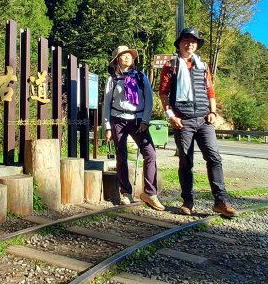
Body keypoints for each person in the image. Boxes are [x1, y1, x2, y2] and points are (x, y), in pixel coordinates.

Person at [158, 28, 239, 218]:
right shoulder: (171, 66)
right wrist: (171, 116)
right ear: (179, 44)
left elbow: (210, 91)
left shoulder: (203, 66)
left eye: (193, 41)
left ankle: (221, 201)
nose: (190, 44)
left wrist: (213, 112)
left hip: (204, 119)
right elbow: (163, 94)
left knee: (214, 157)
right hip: (182, 120)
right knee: (186, 161)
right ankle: (188, 201)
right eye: (186, 40)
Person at [102, 45, 164, 211]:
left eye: (129, 55)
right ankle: (126, 192)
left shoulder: (140, 76)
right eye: (123, 55)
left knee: (150, 153)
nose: (127, 57)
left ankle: (150, 193)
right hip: (118, 120)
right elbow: (106, 103)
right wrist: (107, 126)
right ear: (117, 60)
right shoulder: (113, 79)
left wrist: (145, 120)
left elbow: (149, 99)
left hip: (138, 120)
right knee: (121, 156)